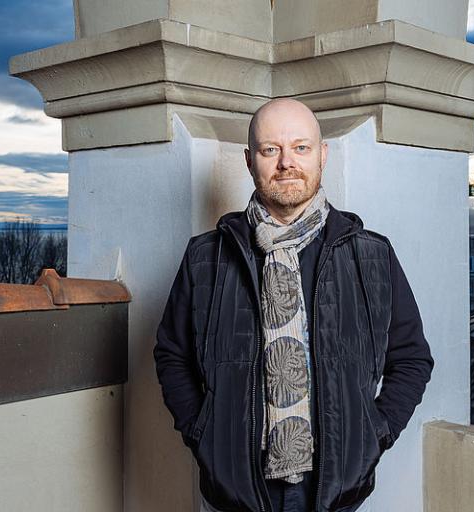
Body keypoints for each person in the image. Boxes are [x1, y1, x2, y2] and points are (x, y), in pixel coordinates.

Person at [154, 98, 433, 512]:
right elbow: (172, 355)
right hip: (238, 491)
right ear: (251, 161)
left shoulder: (372, 255)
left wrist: (374, 433)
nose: (287, 162)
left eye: (300, 147)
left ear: (322, 156)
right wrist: (203, 433)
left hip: (334, 490)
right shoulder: (204, 257)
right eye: (271, 150)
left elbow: (411, 359)